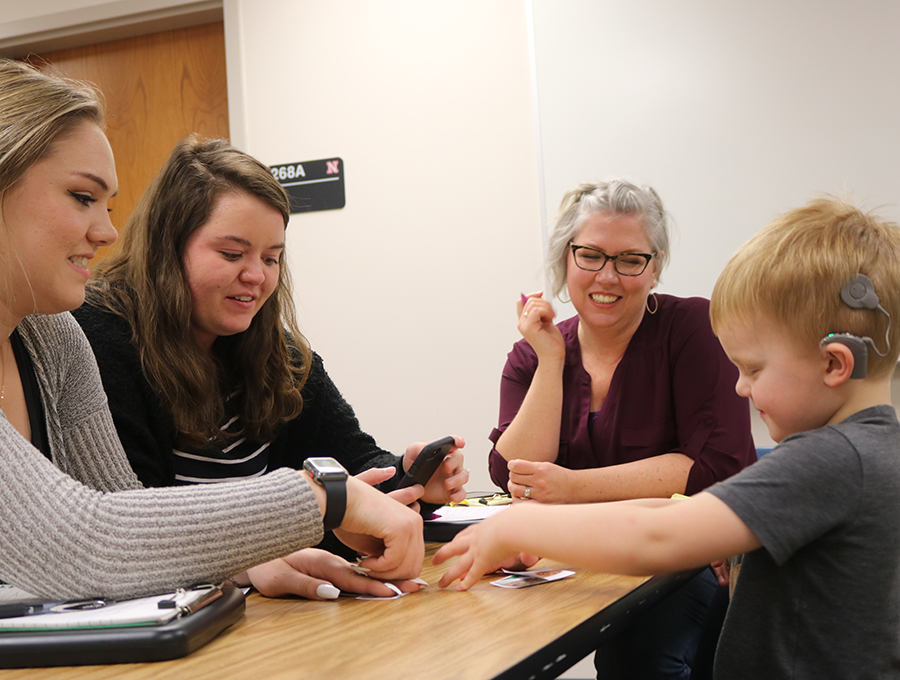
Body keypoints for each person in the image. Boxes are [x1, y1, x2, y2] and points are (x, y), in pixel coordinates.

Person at [0, 58, 424, 602]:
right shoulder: (99, 333)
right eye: (83, 198)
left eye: (272, 257)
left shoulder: (54, 338)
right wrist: (320, 499)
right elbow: (85, 543)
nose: (106, 231)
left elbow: (130, 531)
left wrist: (249, 562)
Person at [437, 197, 900, 678]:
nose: (740, 387)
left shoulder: (826, 462)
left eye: (754, 369)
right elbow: (674, 512)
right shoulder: (872, 453)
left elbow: (653, 538)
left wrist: (517, 528)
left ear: (834, 364)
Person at [71, 134, 468, 600]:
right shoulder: (96, 337)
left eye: (271, 258)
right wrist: (250, 560)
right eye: (232, 254)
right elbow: (131, 530)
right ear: (166, 249)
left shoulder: (278, 352)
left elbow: (350, 469)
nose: (257, 276)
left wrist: (407, 476)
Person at [489, 179, 755, 678]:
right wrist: (551, 362)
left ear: (654, 268)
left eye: (630, 260)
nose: (607, 277)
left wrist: (571, 487)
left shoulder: (693, 326)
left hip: (681, 558)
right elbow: (513, 473)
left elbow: (713, 467)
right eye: (590, 255)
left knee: (639, 660)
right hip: (569, 556)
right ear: (564, 259)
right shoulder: (534, 350)